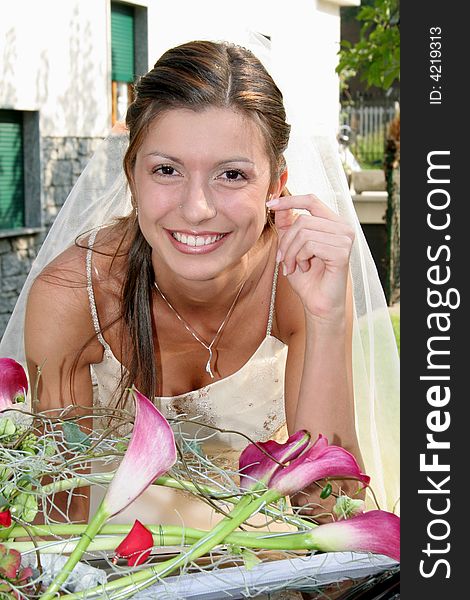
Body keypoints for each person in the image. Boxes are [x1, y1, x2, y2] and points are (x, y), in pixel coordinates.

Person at [1, 39, 399, 527]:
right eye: (166, 170)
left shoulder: (300, 276)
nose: (196, 208)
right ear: (132, 177)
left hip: (270, 557)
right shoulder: (72, 296)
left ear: (276, 185)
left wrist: (328, 317)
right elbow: (56, 519)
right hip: (110, 562)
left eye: (231, 175)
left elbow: (328, 507)